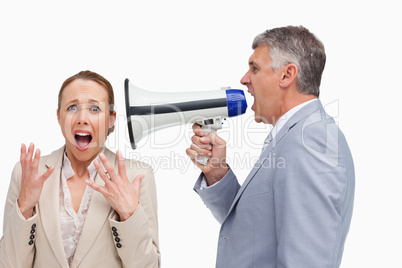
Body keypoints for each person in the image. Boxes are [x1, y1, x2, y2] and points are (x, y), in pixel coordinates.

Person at [186, 26, 355, 267]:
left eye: (255, 68)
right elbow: (253, 230)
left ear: (287, 75)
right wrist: (217, 173)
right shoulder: (297, 136)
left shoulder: (311, 141)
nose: (244, 79)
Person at [0, 71, 160, 267]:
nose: (82, 118)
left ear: (111, 119)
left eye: (95, 108)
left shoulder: (137, 176)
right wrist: (24, 208)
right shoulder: (28, 173)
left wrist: (129, 215)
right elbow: (9, 264)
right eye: (72, 107)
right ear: (59, 116)